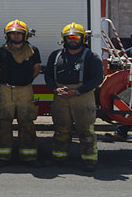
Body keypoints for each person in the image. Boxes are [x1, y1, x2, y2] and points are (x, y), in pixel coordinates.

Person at [44, 22, 104, 172]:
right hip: (60, 96)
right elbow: (48, 76)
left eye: (76, 37)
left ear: (82, 38)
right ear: (64, 39)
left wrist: (77, 91)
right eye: (69, 37)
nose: (72, 40)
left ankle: (89, 160)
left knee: (86, 130)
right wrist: (55, 89)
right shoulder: (55, 56)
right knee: (61, 129)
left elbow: (97, 79)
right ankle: (59, 158)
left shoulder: (92, 57)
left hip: (83, 97)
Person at [0, 20, 41, 167]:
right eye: (13, 33)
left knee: (27, 122)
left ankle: (29, 157)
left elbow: (36, 70)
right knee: (3, 123)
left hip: (25, 90)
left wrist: (24, 82)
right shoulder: (2, 51)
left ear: (25, 35)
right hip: (6, 90)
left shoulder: (33, 50)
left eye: (19, 33)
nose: (16, 36)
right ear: (8, 35)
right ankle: (2, 157)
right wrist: (8, 83)